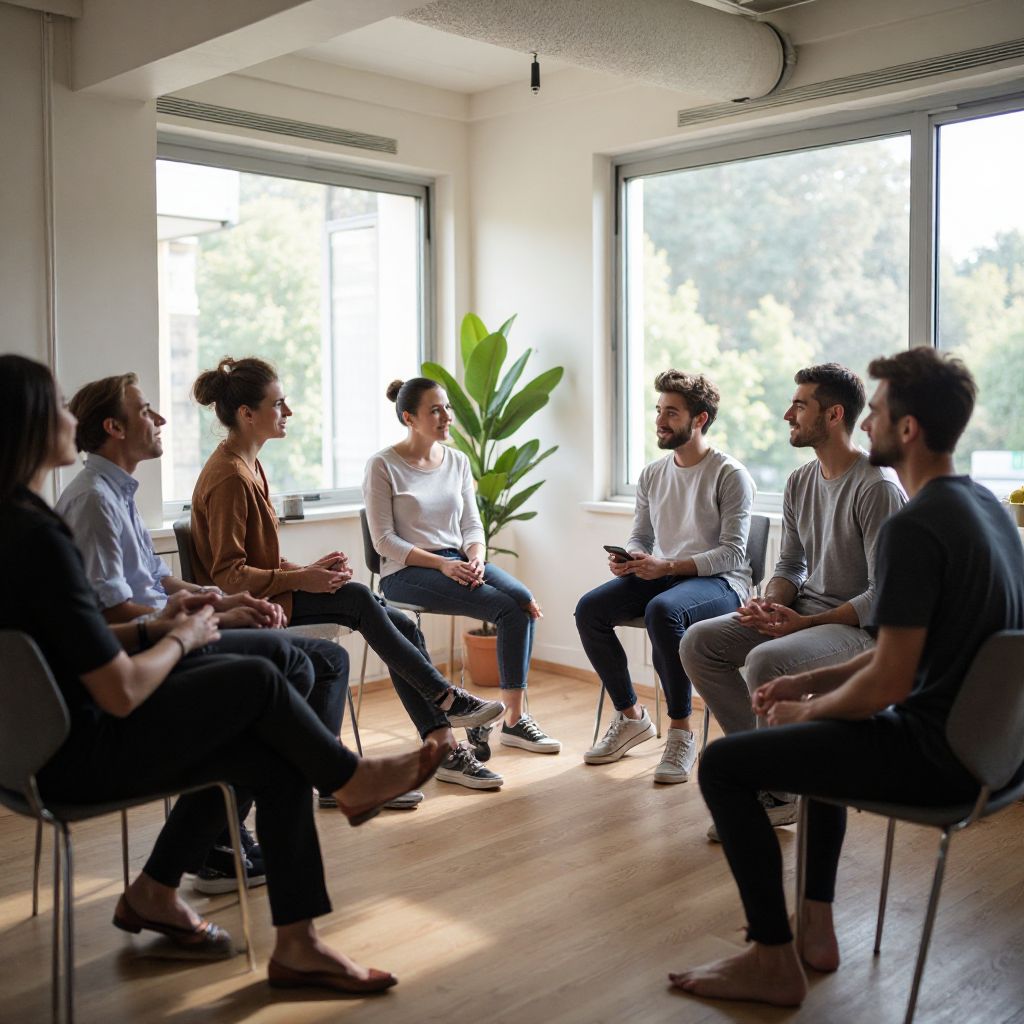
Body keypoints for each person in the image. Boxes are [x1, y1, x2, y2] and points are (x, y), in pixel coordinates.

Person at [0, 353, 448, 995]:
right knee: (268, 683)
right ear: (29, 422)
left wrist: (161, 626)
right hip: (76, 749)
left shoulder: (21, 521)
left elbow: (76, 640)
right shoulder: (41, 532)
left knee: (275, 718)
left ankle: (257, 925)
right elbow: (118, 690)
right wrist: (180, 637)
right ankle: (348, 780)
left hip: (48, 739)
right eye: (54, 401)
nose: (70, 412)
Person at [669, 347, 1024, 1008]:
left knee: (723, 765)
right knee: (824, 728)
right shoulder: (987, 509)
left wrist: (806, 712)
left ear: (908, 429)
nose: (867, 427)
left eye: (880, 414)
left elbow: (891, 680)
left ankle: (772, 960)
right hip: (997, 760)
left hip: (935, 758)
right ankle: (816, 931)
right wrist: (814, 685)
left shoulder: (915, 524)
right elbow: (916, 650)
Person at [55, 372, 349, 892]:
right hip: (149, 657)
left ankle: (234, 827)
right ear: (113, 427)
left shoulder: (115, 493)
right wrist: (196, 622)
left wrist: (215, 598)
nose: (161, 418)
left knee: (307, 669)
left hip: (165, 634)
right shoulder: (94, 501)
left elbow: (151, 578)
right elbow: (109, 615)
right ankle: (295, 796)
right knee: (303, 667)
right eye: (146, 410)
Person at [189, 356, 507, 791]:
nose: (289, 412)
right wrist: (302, 580)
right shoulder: (229, 476)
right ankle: (446, 697)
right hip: (252, 607)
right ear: (248, 415)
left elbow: (256, 559)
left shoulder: (248, 465)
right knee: (360, 598)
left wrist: (309, 571)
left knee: (397, 623)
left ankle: (444, 747)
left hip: (273, 593)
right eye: (279, 404)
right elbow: (228, 577)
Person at [681, 363, 905, 837]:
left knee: (765, 660)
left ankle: (778, 793)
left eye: (800, 405)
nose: (788, 414)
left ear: (833, 415)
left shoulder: (877, 486)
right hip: (806, 613)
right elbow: (789, 567)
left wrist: (801, 626)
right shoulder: (800, 482)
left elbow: (884, 594)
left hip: (857, 630)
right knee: (699, 642)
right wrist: (769, 601)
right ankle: (765, 765)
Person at [363, 377, 559, 777]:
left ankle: (513, 721)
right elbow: (384, 541)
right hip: (407, 571)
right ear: (409, 418)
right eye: (435, 410)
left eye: (447, 407)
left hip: (459, 559)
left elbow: (473, 524)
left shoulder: (456, 461)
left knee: (522, 601)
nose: (446, 416)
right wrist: (442, 564)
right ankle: (484, 717)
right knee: (505, 608)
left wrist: (476, 557)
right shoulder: (383, 465)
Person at [575, 371, 755, 782]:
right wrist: (632, 557)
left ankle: (681, 731)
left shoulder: (729, 474)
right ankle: (632, 716)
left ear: (700, 419)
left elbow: (733, 552)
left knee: (662, 611)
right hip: (666, 576)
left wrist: (668, 566)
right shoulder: (653, 474)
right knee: (590, 610)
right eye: (658, 411)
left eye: (671, 413)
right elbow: (642, 534)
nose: (659, 420)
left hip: (722, 583)